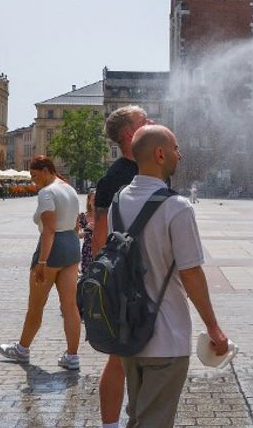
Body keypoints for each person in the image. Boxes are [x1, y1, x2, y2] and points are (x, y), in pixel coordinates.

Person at [112, 125, 228, 426]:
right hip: (166, 336)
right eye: (175, 148)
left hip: (130, 332)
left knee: (137, 417)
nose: (180, 153)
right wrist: (213, 328)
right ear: (160, 154)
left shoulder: (117, 202)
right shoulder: (177, 207)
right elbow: (191, 274)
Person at [93, 105, 151, 428]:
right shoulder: (113, 178)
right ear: (130, 134)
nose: (151, 122)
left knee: (144, 356)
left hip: (150, 276)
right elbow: (100, 235)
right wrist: (110, 283)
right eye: (145, 121)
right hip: (122, 279)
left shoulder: (153, 168)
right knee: (119, 357)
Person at [0, 156, 82, 370]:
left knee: (36, 304)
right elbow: (75, 223)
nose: (34, 181)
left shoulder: (47, 193)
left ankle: (22, 349)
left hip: (52, 248)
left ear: (45, 170)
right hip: (72, 246)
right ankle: (72, 356)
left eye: (35, 176)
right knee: (70, 305)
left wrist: (42, 262)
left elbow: (49, 230)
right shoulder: (69, 188)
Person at [78, 189, 95, 273]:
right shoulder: (83, 216)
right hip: (87, 251)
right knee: (86, 275)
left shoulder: (105, 216)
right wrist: (86, 230)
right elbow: (76, 234)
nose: (95, 203)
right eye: (93, 200)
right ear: (89, 201)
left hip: (101, 250)